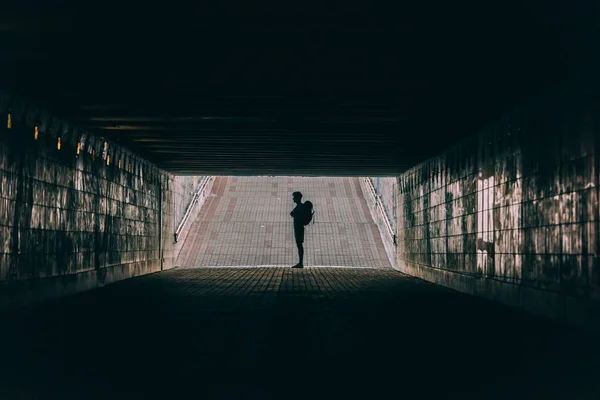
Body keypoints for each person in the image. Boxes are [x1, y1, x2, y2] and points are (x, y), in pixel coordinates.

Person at [290, 191, 308, 268]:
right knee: (299, 244)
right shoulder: (299, 206)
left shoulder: (300, 207)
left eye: (294, 197)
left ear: (298, 198)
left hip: (299, 228)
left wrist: (294, 214)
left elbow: (298, 216)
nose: (293, 198)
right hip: (298, 227)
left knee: (299, 244)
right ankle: (300, 262)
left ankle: (300, 262)